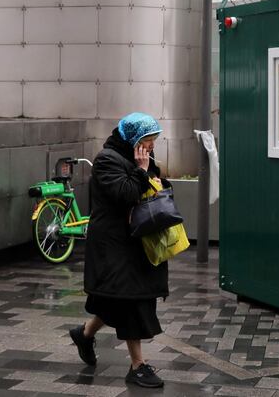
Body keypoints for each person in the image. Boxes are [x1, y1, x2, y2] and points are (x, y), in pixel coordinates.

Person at [69, 112, 169, 388]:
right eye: (148, 141)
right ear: (134, 138)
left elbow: (154, 187)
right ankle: (137, 365)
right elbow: (126, 193)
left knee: (117, 298)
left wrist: (149, 172)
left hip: (135, 240)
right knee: (131, 298)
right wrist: (141, 169)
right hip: (112, 244)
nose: (151, 146)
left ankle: (85, 334)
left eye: (153, 141)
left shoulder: (141, 159)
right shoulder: (106, 160)